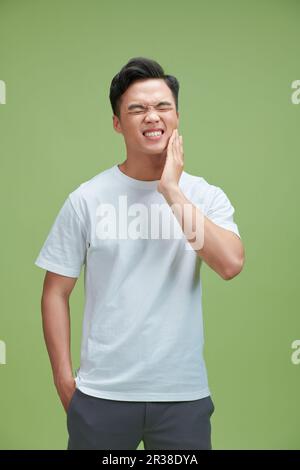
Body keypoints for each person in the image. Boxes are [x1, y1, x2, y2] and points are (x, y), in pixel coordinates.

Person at [34, 57, 245, 450]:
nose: (153, 116)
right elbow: (54, 292)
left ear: (177, 116)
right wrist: (65, 381)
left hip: (183, 397)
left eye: (163, 106)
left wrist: (171, 191)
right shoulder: (87, 199)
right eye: (137, 108)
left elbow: (230, 264)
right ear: (118, 122)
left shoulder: (204, 196)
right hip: (101, 398)